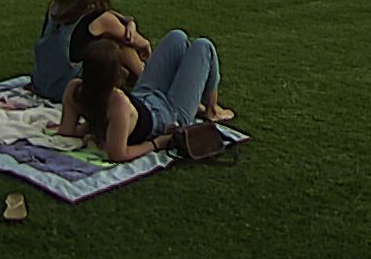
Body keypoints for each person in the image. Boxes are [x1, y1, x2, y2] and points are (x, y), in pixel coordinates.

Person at [54, 33, 235, 163]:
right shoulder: (118, 104)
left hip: (143, 96)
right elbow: (118, 154)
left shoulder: (75, 90)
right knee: (204, 46)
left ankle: (198, 104)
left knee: (177, 37)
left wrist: (91, 128)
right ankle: (212, 110)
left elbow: (67, 131)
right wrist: (156, 144)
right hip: (169, 115)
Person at [30, 0, 151, 100]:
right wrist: (141, 39)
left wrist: (129, 21)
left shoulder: (55, 6)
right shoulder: (101, 19)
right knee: (118, 44)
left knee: (108, 41)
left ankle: (136, 78)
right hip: (66, 89)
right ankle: (147, 81)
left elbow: (109, 16)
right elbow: (138, 42)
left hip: (42, 82)